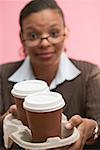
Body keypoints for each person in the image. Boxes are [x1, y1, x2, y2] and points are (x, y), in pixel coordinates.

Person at [0, 0, 100, 149]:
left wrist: (93, 130)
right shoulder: (2, 75)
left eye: (53, 33)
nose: (45, 43)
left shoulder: (89, 74)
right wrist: (5, 123)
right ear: (22, 37)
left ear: (66, 32)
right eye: (33, 35)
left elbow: (97, 124)